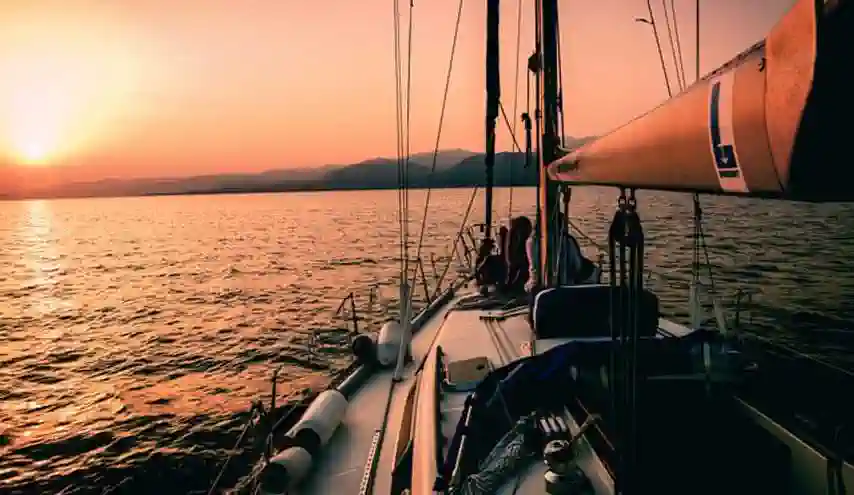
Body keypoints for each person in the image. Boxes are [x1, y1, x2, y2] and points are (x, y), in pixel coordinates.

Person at [504, 216, 533, 293]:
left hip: (513, 259)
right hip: (516, 259)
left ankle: (510, 287)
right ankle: (513, 287)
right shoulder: (515, 234)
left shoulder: (511, 233)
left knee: (512, 273)